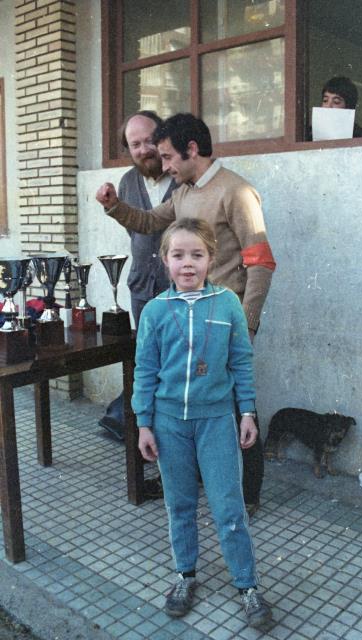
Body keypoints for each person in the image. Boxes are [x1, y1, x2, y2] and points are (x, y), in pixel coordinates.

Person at [96, 112, 276, 515]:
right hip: (188, 317)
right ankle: (204, 481)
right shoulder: (182, 192)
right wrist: (113, 206)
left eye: (168, 157)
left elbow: (260, 263)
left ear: (192, 149)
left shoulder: (237, 192)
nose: (164, 166)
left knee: (234, 407)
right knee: (197, 403)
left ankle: (247, 497)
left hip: (226, 323)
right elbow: (146, 222)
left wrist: (245, 326)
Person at [132, 217, 272, 628]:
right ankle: (185, 575)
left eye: (197, 254)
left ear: (211, 258)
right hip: (168, 422)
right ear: (164, 260)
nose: (187, 263)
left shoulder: (227, 302)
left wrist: (247, 411)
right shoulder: (156, 311)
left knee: (229, 506)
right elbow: (145, 368)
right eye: (178, 255)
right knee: (180, 504)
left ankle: (247, 585)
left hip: (216, 422)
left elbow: (242, 361)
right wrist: (144, 422)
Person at [98, 111, 177, 460]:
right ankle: (151, 443)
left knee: (179, 369)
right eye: (135, 144)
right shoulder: (128, 181)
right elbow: (137, 232)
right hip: (143, 291)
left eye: (150, 140)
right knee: (148, 364)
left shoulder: (183, 175)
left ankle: (179, 448)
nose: (145, 149)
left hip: (181, 292)